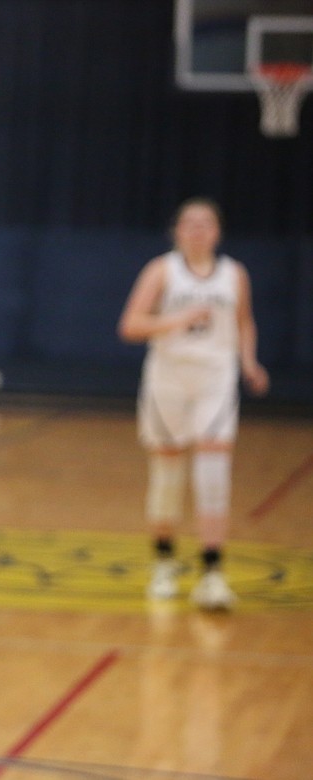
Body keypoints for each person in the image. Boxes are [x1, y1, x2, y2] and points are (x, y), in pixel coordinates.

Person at [118, 197, 269, 610]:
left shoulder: (234, 274)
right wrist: (176, 320)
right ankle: (164, 562)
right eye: (190, 223)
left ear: (217, 231)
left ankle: (213, 573)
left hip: (215, 379)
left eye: (206, 223)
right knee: (167, 473)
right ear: (177, 231)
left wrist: (249, 362)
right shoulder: (161, 270)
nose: (198, 230)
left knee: (213, 470)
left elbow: (244, 322)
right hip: (168, 380)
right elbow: (130, 325)